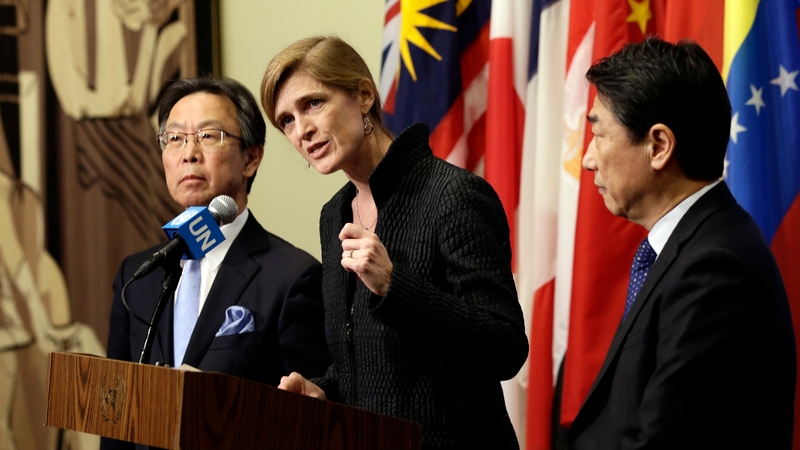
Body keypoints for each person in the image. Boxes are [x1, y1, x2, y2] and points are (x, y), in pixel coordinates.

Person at [260, 36, 528, 450]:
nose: (302, 130)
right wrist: (326, 392)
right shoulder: (335, 213)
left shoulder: (453, 195)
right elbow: (371, 362)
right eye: (287, 121)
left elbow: (505, 348)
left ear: (364, 95)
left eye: (313, 103)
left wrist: (394, 285)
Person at [568, 37, 796, 449]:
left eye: (599, 135)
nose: (587, 159)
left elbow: (662, 441)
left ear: (658, 146)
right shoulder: (694, 246)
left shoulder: (713, 268)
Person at [103, 77, 331, 449]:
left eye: (209, 136)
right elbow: (115, 416)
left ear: (251, 158)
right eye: (174, 138)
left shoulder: (291, 277)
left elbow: (309, 421)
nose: (188, 153)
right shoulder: (137, 275)